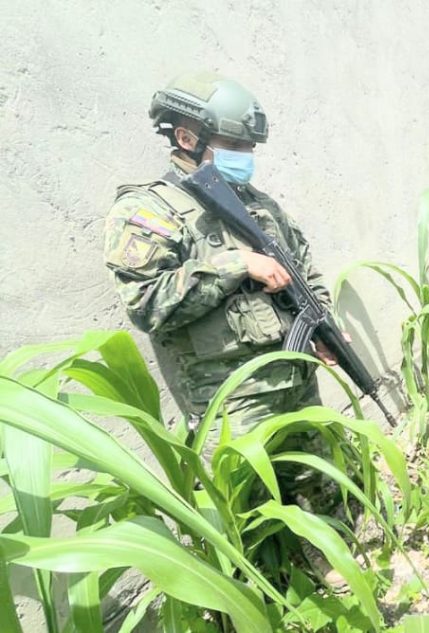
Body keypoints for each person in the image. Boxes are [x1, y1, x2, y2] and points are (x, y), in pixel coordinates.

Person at [103, 71, 343, 581]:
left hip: (293, 375)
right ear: (187, 137)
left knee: (316, 478)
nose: (244, 155)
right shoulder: (149, 210)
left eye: (247, 146)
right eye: (232, 144)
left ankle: (328, 559)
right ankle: (252, 597)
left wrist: (323, 329)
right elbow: (146, 302)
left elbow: (305, 270)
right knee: (242, 509)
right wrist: (237, 264)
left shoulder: (261, 204)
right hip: (230, 394)